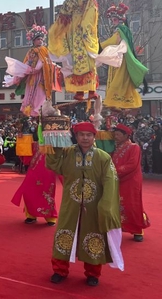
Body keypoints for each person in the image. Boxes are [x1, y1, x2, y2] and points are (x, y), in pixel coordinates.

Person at [46, 122, 123, 287]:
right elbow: (53, 164)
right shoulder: (66, 153)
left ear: (94, 137)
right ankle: (59, 270)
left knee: (93, 236)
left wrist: (106, 205)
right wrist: (53, 141)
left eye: (89, 135)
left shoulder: (103, 157)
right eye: (81, 135)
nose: (85, 138)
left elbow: (111, 181)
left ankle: (93, 273)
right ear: (76, 136)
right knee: (64, 233)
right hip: (70, 204)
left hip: (94, 206)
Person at [48, 0, 99, 101]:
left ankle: (91, 89)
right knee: (73, 63)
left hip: (83, 35)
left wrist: (85, 29)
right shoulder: (68, 1)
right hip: (71, 36)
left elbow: (91, 13)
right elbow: (62, 18)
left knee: (88, 61)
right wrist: (58, 30)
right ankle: (79, 91)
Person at [100, 3, 148, 109]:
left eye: (114, 20)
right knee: (120, 83)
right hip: (119, 60)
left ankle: (116, 105)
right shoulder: (125, 31)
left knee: (117, 83)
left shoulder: (120, 31)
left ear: (120, 20)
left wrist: (99, 46)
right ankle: (117, 105)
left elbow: (113, 41)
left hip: (121, 61)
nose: (113, 22)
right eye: (112, 20)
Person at [111, 124, 150, 242]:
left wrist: (114, 172)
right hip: (118, 179)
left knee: (132, 204)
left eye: (118, 134)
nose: (115, 137)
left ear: (126, 135)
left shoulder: (134, 147)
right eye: (115, 134)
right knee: (118, 203)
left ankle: (138, 229)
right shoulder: (117, 147)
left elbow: (132, 165)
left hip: (131, 180)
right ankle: (120, 227)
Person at [6, 25, 53, 116]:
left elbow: (43, 62)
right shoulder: (31, 51)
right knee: (30, 93)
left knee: (40, 94)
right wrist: (22, 72)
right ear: (33, 41)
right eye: (38, 39)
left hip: (41, 77)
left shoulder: (44, 50)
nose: (40, 41)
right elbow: (27, 62)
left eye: (41, 39)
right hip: (32, 77)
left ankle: (37, 109)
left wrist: (34, 69)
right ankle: (31, 109)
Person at [11, 142, 59, 225]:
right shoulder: (32, 138)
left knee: (47, 192)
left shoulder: (54, 138)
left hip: (48, 169)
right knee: (29, 191)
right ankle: (31, 215)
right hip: (33, 169)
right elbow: (26, 152)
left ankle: (50, 217)